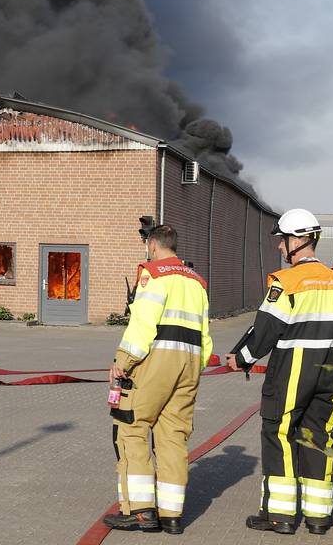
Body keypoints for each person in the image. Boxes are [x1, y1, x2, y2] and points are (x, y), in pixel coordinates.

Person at [226, 208, 333, 535]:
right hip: (329, 373)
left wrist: (239, 358)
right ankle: (318, 518)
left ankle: (279, 516)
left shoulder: (284, 283)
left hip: (291, 373)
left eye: (282, 240)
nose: (279, 247)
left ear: (297, 241)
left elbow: (265, 331)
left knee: (279, 434)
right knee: (319, 438)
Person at [104, 225, 213, 535]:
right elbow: (205, 334)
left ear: (152, 245)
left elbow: (143, 324)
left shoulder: (153, 274)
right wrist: (196, 368)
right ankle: (172, 515)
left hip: (155, 363)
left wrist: (122, 361)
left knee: (132, 427)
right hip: (190, 365)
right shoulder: (197, 282)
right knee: (173, 437)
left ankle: (140, 512)